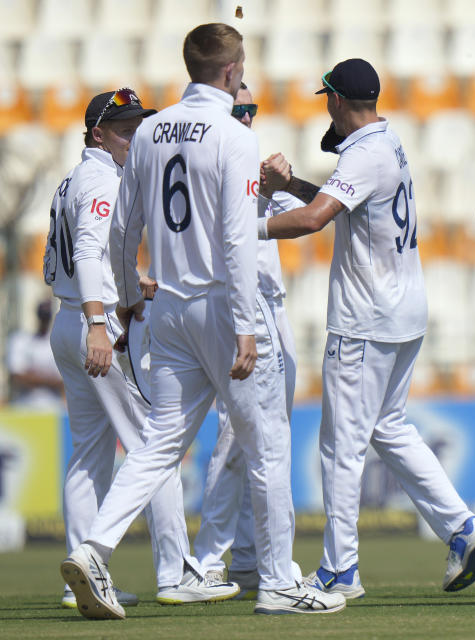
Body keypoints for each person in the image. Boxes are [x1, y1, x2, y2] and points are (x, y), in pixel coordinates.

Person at [59, 23, 344, 619]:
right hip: (219, 303)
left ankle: (93, 550)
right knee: (267, 442)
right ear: (232, 70)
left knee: (159, 441)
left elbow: (123, 226)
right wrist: (245, 322)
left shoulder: (152, 131)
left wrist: (125, 295)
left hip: (165, 308)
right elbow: (239, 240)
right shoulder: (233, 135)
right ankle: (278, 582)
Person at [260, 57, 475, 599]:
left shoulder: (364, 154)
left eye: (327, 99)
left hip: (366, 319)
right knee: (389, 428)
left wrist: (243, 230)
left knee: (342, 444)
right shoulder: (385, 143)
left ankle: (340, 569)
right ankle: (462, 528)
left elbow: (317, 218)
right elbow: (341, 206)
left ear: (336, 101)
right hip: (404, 311)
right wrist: (291, 182)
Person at [44, 88, 236, 609]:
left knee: (88, 458)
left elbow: (62, 261)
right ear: (97, 135)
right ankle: (177, 575)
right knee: (155, 447)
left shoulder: (70, 182)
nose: (134, 138)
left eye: (137, 127)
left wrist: (133, 286)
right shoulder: (105, 178)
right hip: (97, 326)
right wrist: (100, 323)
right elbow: (88, 248)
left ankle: (79, 578)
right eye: (125, 130)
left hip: (69, 322)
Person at [192, 82, 304, 601]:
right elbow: (220, 229)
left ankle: (249, 557)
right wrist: (261, 191)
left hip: (270, 302)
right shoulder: (210, 155)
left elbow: (307, 211)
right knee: (239, 434)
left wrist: (286, 180)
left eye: (251, 109)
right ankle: (210, 558)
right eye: (238, 108)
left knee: (264, 434)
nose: (246, 117)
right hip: (236, 307)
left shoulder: (250, 154)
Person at [5, 300, 62, 408]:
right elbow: (16, 377)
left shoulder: (57, 343)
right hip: (24, 408)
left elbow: (63, 381)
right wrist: (49, 378)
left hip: (53, 410)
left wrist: (32, 376)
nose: (44, 321)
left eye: (46, 317)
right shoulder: (21, 340)